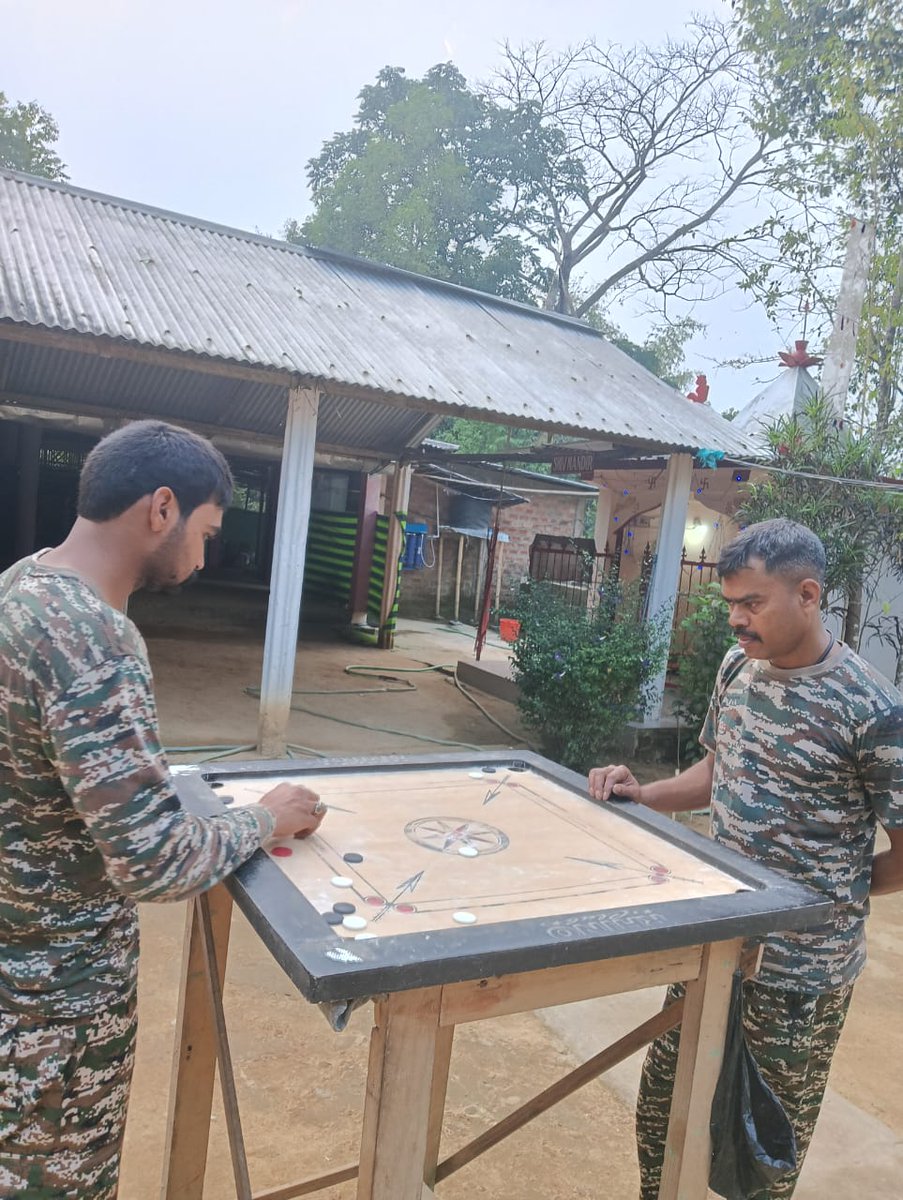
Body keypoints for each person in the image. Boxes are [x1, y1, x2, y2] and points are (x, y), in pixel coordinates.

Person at [0, 420, 326, 1198]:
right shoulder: (94, 639)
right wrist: (266, 818)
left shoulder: (22, 585)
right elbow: (151, 860)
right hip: (58, 1009)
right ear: (162, 508)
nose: (204, 557)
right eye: (206, 533)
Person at [588, 518, 903, 1200]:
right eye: (730, 603)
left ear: (808, 595)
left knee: (760, 1152)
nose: (735, 619)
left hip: (800, 976)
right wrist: (641, 794)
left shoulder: (873, 711)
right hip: (711, 944)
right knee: (664, 1110)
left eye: (751, 603)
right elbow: (714, 767)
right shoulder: (737, 668)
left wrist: (825, 900)